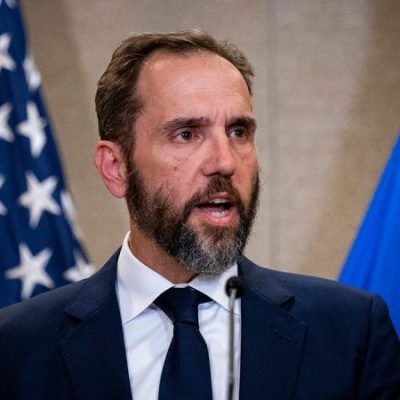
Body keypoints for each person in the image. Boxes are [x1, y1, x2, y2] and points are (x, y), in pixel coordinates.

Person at [0, 30, 399, 400]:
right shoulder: (17, 347)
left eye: (238, 132)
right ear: (116, 168)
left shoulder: (350, 333)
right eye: (186, 134)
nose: (224, 162)